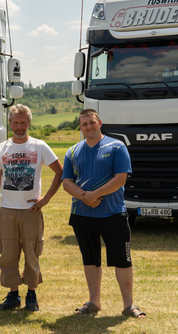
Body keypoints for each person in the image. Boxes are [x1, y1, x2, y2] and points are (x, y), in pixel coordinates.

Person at [62, 108, 146, 319]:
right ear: (80, 127)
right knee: (90, 260)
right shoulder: (72, 151)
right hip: (82, 214)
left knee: (123, 260)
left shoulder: (117, 146)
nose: (89, 127)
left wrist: (94, 195)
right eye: (84, 124)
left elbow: (120, 179)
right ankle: (94, 302)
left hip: (113, 213)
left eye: (92, 122)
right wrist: (85, 197)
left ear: (100, 122)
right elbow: (67, 182)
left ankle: (129, 306)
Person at [0, 104, 63, 312]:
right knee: (8, 253)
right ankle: (13, 294)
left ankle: (32, 294)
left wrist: (46, 198)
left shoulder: (39, 146)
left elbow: (60, 171)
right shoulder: (1, 148)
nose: (19, 126)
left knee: (32, 252)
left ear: (29, 123)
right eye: (15, 123)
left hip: (31, 210)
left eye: (23, 122)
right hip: (8, 209)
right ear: (10, 124)